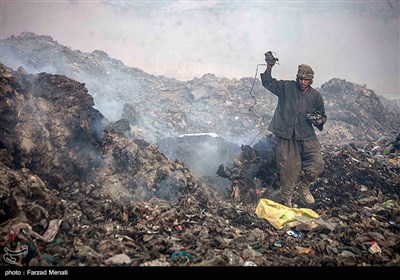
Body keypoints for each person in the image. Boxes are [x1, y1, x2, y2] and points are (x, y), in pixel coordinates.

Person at [260, 51, 327, 207]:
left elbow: (322, 116)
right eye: (301, 79)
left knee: (317, 163)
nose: (303, 82)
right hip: (287, 136)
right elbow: (268, 82)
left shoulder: (316, 96)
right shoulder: (287, 87)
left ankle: (304, 188)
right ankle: (286, 199)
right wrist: (269, 66)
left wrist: (317, 119)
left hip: (306, 136)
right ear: (297, 78)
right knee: (289, 168)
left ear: (311, 80)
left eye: (306, 80)